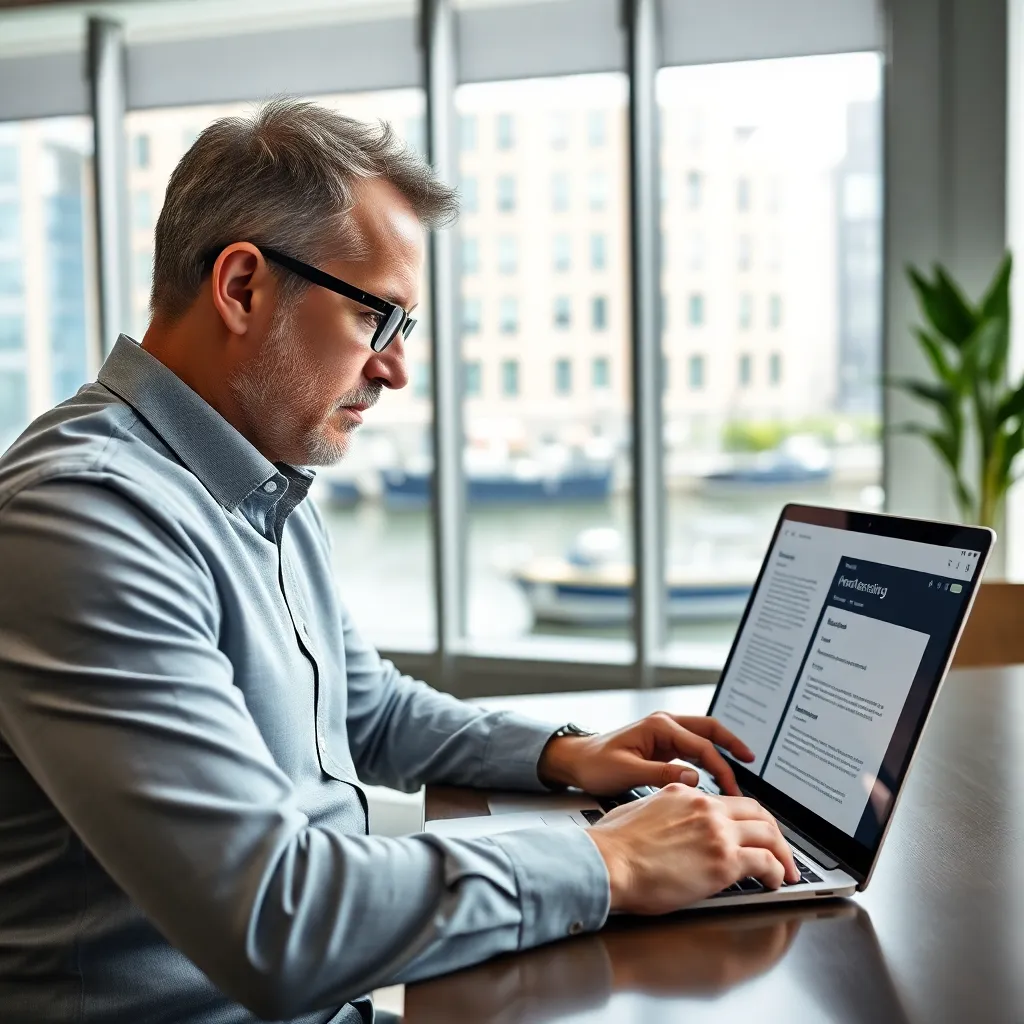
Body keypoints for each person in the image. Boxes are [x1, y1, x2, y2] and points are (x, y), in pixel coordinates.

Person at [0, 100, 796, 1024]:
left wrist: (567, 756)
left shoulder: (258, 482)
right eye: (378, 316)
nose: (394, 369)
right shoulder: (86, 518)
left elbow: (364, 704)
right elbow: (276, 920)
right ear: (244, 286)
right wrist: (612, 859)